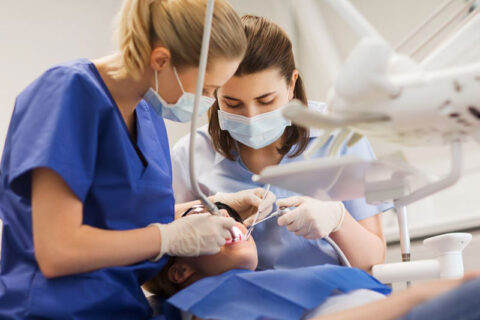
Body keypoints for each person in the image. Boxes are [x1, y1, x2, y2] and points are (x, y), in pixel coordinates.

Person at [0, 1, 273, 318]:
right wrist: (169, 237)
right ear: (161, 60)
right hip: (52, 310)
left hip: (123, 307)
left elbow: (115, 218)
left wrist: (218, 203)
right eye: (208, 89)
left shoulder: (148, 115)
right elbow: (58, 250)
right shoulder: (69, 94)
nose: (209, 101)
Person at [172, 15, 390, 271]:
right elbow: (162, 253)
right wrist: (213, 210)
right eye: (233, 103)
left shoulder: (341, 138)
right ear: (213, 92)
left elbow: (373, 261)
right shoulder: (190, 156)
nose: (251, 117)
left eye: (266, 101)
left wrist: (338, 220)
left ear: (291, 85)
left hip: (332, 298)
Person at [145, 218, 480, 320]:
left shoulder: (261, 280)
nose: (222, 219)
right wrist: (416, 296)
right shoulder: (202, 304)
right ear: (180, 272)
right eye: (204, 224)